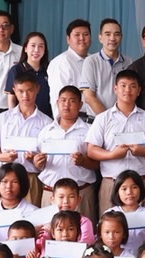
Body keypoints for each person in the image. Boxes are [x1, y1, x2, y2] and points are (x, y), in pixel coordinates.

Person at [86, 69, 145, 209]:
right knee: (110, 228)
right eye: (123, 85)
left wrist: (141, 151)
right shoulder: (103, 118)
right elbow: (91, 150)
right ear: (115, 89)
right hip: (112, 183)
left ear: (139, 90)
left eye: (133, 86)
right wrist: (112, 155)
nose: (128, 90)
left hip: (142, 183)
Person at [34, 85, 98, 218]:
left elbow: (98, 164)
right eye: (63, 100)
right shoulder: (46, 131)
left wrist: (83, 161)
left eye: (72, 101)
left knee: (83, 234)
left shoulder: (90, 131)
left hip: (81, 193)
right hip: (51, 193)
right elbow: (38, 163)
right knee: (50, 233)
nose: (66, 105)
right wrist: (38, 162)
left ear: (80, 105)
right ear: (57, 103)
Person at [0, 71, 54, 202]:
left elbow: (46, 159)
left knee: (29, 220)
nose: (25, 96)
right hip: (5, 176)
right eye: (20, 91)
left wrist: (35, 160)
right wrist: (2, 157)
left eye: (29, 90)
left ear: (37, 88)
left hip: (30, 177)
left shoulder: (47, 122)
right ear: (14, 90)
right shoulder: (3, 118)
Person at [80, 17, 129, 117]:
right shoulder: (90, 62)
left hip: (123, 121)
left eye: (116, 34)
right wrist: (109, 119)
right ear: (100, 37)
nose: (112, 38)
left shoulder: (129, 62)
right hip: (97, 121)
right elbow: (88, 97)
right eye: (107, 34)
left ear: (121, 37)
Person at [47, 18, 93, 115]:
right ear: (68, 39)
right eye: (77, 35)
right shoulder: (61, 63)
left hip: (97, 119)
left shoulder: (94, 60)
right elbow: (58, 99)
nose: (82, 38)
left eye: (86, 34)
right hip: (76, 119)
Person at [0, 31, 51, 116]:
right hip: (22, 119)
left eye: (41, 46)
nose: (36, 50)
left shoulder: (49, 70)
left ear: (45, 50)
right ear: (25, 48)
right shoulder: (16, 70)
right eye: (33, 46)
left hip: (45, 119)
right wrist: (14, 118)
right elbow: (11, 99)